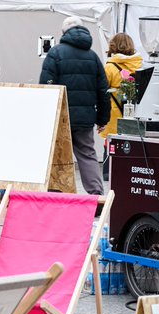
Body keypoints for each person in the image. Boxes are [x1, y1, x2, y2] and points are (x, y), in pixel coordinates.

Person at [40, 16, 110, 195]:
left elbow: (46, 87)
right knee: (87, 154)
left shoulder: (55, 53)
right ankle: (96, 196)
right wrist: (102, 118)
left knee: (55, 156)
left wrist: (46, 116)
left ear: (64, 33)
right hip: (85, 118)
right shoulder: (93, 57)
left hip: (60, 117)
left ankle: (55, 193)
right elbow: (103, 90)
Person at [103, 32, 143, 138]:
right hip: (137, 117)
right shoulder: (141, 65)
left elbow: (102, 92)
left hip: (115, 118)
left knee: (111, 148)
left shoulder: (109, 67)